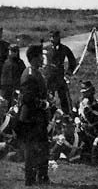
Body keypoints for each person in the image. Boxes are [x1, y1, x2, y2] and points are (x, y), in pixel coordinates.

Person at [18, 44, 51, 186]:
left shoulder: (36, 72)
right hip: (31, 119)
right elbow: (28, 99)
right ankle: (30, 180)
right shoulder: (29, 74)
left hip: (38, 118)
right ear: (34, 58)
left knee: (43, 147)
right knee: (32, 150)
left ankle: (42, 176)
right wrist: (45, 105)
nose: (43, 59)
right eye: (40, 57)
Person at [43, 30, 77, 113]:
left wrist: (68, 73)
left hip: (60, 77)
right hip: (49, 77)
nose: (52, 39)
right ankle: (50, 115)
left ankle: (66, 114)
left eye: (54, 37)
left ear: (58, 38)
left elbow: (72, 61)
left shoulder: (64, 49)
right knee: (49, 97)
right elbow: (41, 62)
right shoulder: (46, 49)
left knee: (63, 97)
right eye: (50, 37)